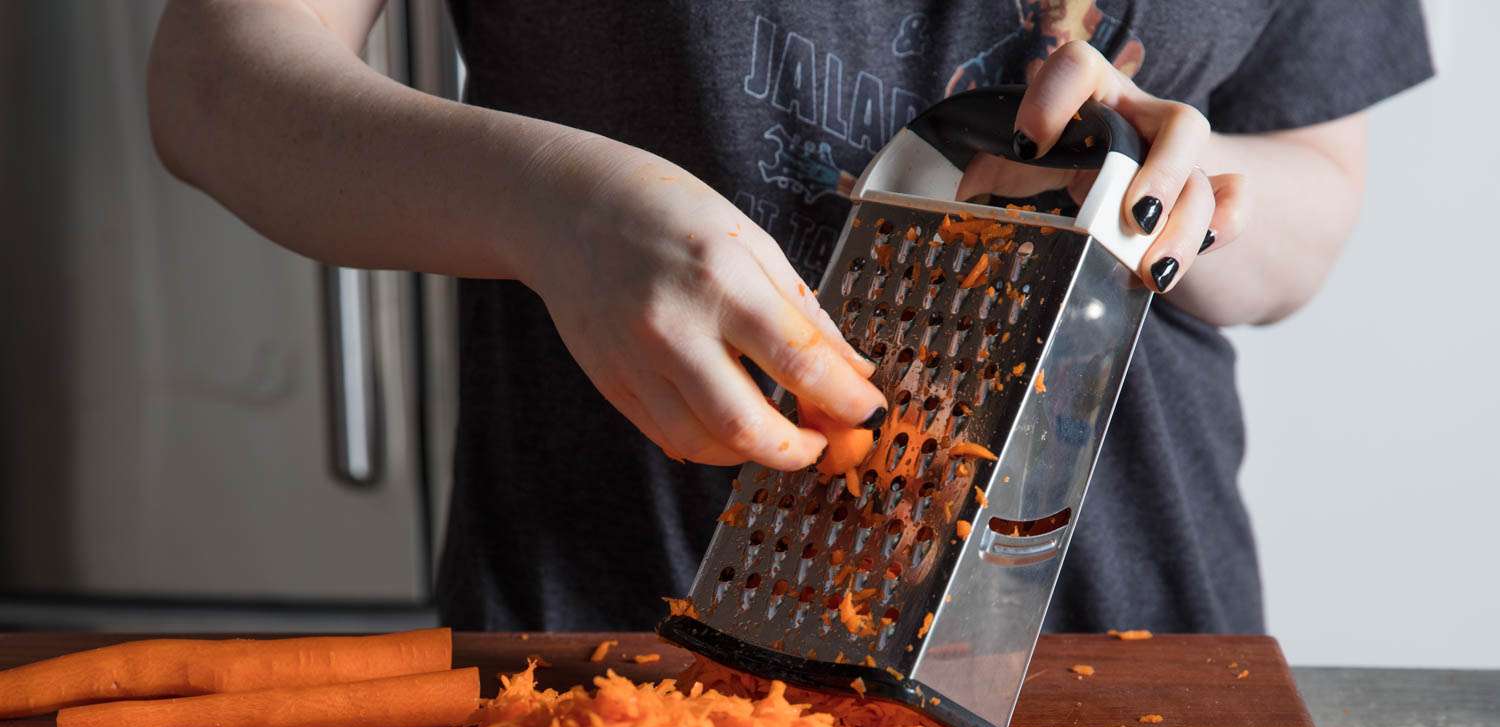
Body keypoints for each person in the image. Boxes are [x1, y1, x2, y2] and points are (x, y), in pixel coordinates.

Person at [147, 1, 1432, 634]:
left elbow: (1315, 200)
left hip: (1136, 645)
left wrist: (1179, 209)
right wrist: (555, 210)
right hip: (615, 645)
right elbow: (218, 83)